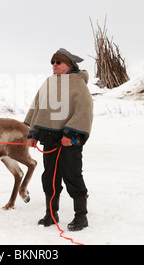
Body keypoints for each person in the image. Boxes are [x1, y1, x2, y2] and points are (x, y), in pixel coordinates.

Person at [24, 48, 94, 231]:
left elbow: (84, 110)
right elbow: (37, 108)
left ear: (68, 65)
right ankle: (51, 213)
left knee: (73, 176)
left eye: (58, 62)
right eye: (52, 62)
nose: (54, 65)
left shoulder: (78, 84)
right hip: (49, 139)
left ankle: (81, 216)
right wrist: (32, 134)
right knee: (50, 178)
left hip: (68, 141)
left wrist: (70, 135)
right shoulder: (49, 82)